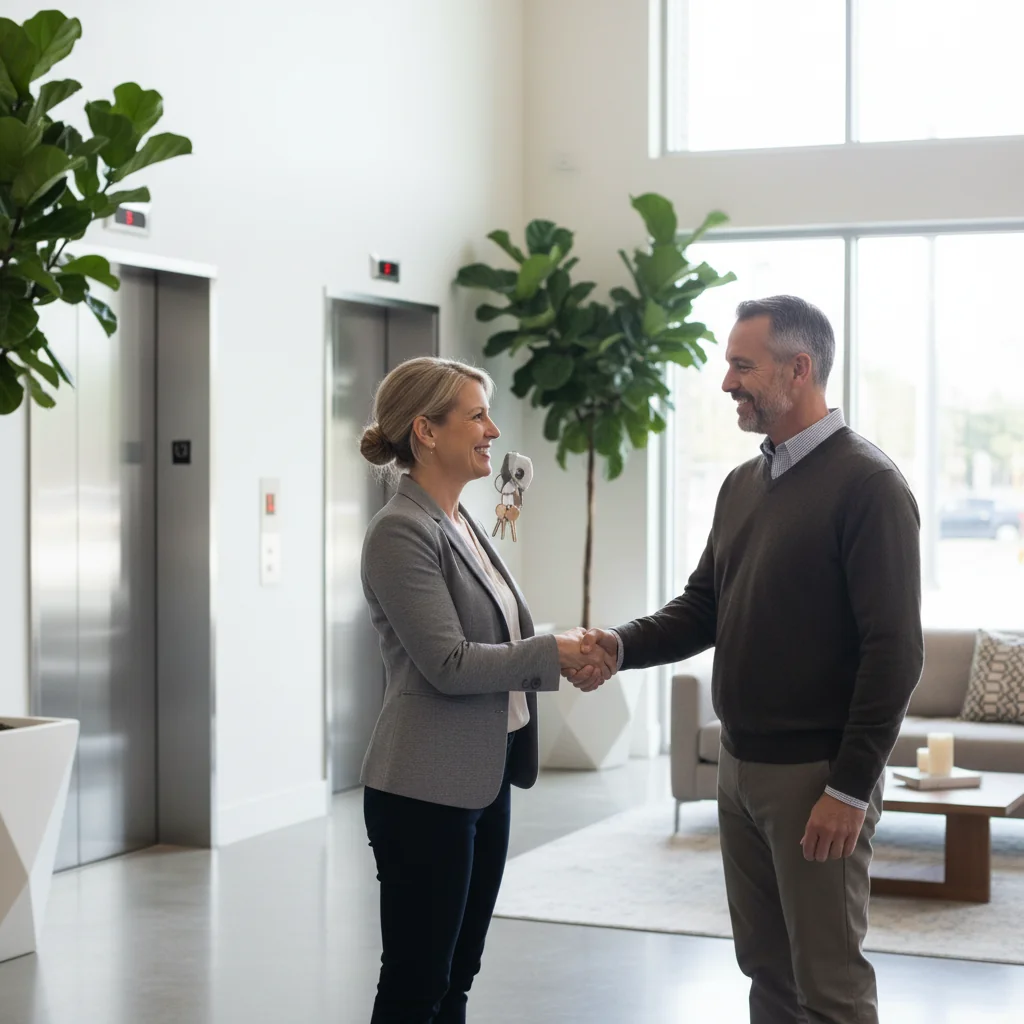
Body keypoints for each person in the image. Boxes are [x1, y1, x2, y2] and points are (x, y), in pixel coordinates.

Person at [569, 296, 924, 1024]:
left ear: (799, 370)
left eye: (742, 366)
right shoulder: (742, 484)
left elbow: (895, 653)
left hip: (815, 779)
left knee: (828, 986)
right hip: (739, 767)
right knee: (765, 971)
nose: (727, 383)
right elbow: (705, 605)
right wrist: (622, 644)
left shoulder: (869, 486)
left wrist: (851, 789)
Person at [358, 356, 614, 1023]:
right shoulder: (400, 531)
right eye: (477, 415)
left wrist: (557, 650)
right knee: (417, 984)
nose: (494, 430)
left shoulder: (463, 524)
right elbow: (448, 661)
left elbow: (495, 639)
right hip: (423, 790)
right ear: (426, 431)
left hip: (482, 777)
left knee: (457, 976)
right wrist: (552, 656)